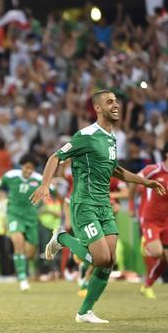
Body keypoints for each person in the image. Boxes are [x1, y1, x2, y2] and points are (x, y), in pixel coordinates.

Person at [31, 90, 166, 324]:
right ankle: (62, 238)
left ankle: (84, 312)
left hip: (104, 204)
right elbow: (56, 157)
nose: (115, 105)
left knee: (110, 259)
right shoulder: (86, 135)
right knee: (100, 258)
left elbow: (116, 170)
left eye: (116, 101)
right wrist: (45, 184)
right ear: (97, 108)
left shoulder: (111, 138)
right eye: (109, 102)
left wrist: (145, 182)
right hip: (85, 204)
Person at [0, 154, 47, 291]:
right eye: (26, 167)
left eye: (31, 168)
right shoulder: (10, 176)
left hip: (31, 218)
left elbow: (56, 195)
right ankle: (22, 279)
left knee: (30, 253)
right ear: (22, 166)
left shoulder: (39, 180)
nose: (29, 171)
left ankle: (23, 268)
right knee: (17, 243)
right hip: (14, 215)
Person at [137, 143, 168, 299]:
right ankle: (147, 246)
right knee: (157, 252)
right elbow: (135, 180)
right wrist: (130, 204)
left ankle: (147, 285)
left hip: (166, 220)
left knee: (166, 256)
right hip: (151, 219)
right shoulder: (153, 169)